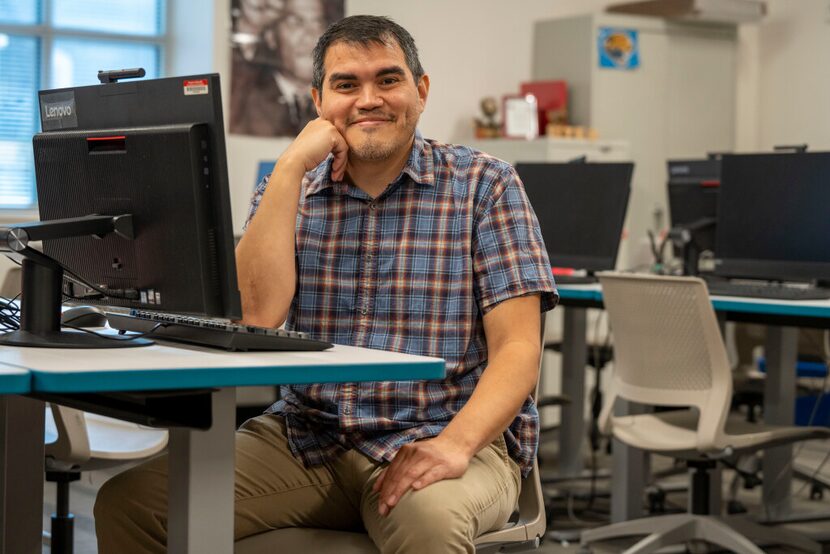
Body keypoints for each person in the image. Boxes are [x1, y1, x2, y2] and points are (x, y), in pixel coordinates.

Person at [94, 15, 557, 554]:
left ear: (421, 90)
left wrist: (454, 446)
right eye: (346, 84)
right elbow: (255, 317)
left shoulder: (486, 185)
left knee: (430, 524)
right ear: (318, 101)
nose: (369, 99)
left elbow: (519, 350)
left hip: (444, 432)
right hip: (309, 438)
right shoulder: (291, 189)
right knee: (131, 506)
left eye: (388, 79)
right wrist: (290, 167)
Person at [229, 0, 332, 136]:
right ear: (271, 37)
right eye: (296, 23)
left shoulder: (334, 102)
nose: (311, 36)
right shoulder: (245, 101)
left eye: (318, 23)